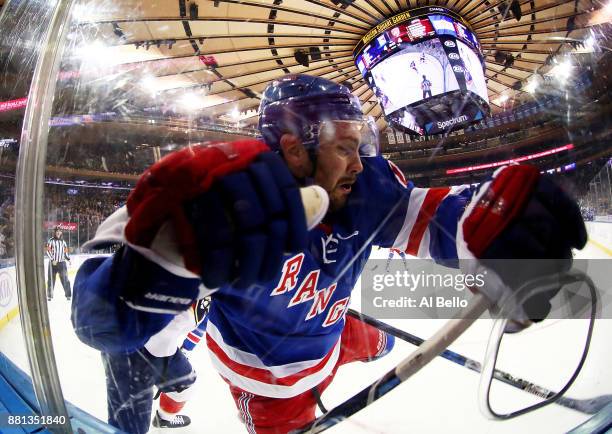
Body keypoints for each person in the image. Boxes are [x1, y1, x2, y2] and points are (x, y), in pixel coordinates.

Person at [72, 74, 586, 434]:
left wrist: (487, 225)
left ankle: (368, 342)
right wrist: (153, 267)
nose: (361, 165)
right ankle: (174, 398)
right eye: (345, 147)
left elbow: (437, 221)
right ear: (293, 148)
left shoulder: (363, 188)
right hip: (269, 382)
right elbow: (103, 322)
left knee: (372, 338)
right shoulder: (220, 199)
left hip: (333, 333)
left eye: (361, 145)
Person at [46, 227, 71, 301]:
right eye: (57, 231)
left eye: (59, 231)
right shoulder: (50, 241)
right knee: (51, 279)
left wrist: (68, 259)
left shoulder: (63, 242)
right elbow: (48, 251)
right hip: (52, 263)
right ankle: (50, 295)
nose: (58, 232)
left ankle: (68, 295)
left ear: (61, 233)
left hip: (62, 263)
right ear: (55, 232)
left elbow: (65, 252)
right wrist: (52, 259)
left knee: (65, 279)